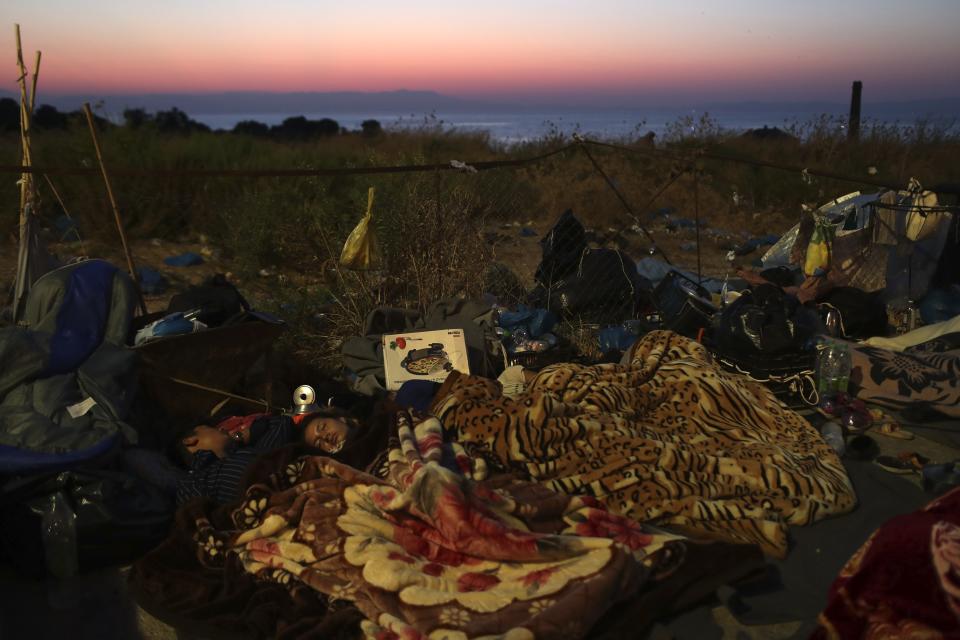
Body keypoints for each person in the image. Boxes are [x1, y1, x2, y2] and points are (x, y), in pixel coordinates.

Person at [175, 407, 361, 505]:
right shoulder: (194, 481)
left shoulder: (245, 453)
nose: (222, 429)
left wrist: (242, 438)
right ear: (190, 441)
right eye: (212, 429)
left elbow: (282, 425)